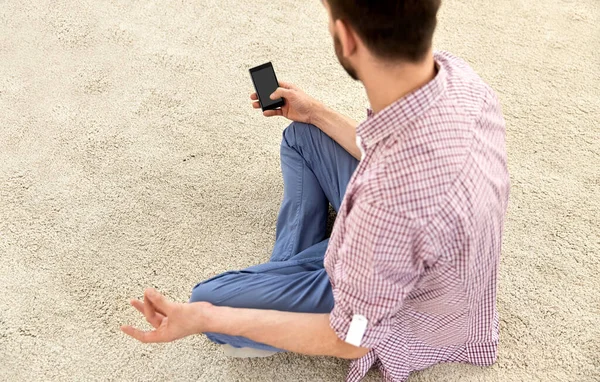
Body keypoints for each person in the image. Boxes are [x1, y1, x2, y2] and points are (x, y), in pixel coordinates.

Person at [121, 0, 510, 381]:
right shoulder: (458, 77)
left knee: (207, 298)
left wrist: (205, 318)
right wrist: (314, 111)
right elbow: (386, 149)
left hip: (395, 285)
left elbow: (350, 340)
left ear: (345, 36)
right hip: (419, 242)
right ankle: (288, 275)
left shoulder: (385, 202)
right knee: (302, 135)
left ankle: (283, 285)